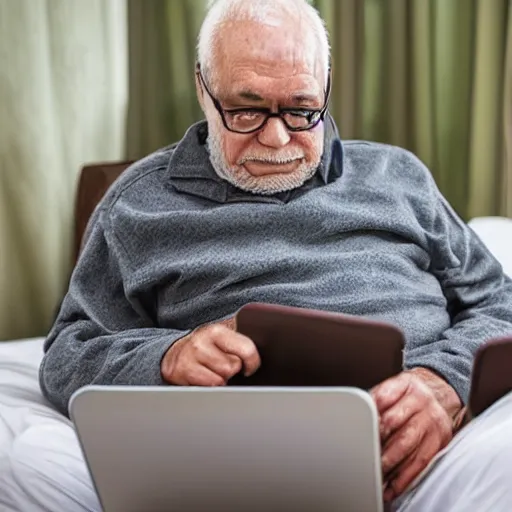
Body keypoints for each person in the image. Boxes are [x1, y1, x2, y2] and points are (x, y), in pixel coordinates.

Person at [2, 0, 512, 510]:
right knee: (23, 461)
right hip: (230, 457)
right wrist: (165, 357)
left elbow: (500, 302)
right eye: (246, 111)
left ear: (326, 84)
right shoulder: (136, 204)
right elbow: (69, 352)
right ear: (204, 88)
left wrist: (445, 379)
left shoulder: (397, 176)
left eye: (301, 109)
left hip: (427, 455)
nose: (277, 138)